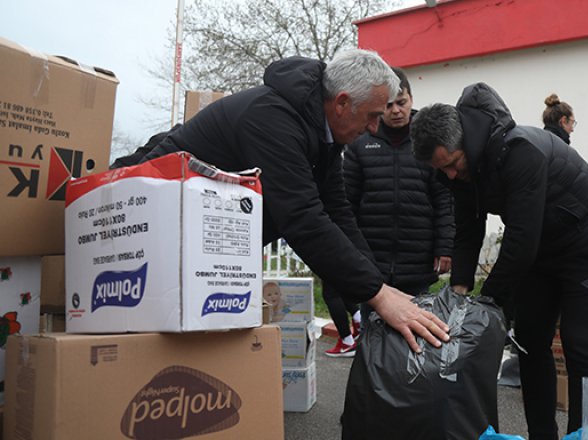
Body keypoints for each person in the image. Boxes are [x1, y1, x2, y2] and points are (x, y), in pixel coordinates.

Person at [137, 49, 449, 352]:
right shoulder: (273, 119)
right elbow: (302, 218)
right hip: (154, 233)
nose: (373, 128)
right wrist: (379, 297)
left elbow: (338, 212)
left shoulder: (323, 135)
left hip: (201, 243)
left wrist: (379, 284)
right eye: (371, 116)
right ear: (342, 103)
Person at [410, 83, 588, 439]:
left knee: (577, 340)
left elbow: (521, 241)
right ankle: (542, 434)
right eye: (440, 169)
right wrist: (459, 296)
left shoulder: (520, 151)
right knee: (529, 338)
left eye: (451, 164)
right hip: (543, 245)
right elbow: (467, 231)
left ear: (466, 141)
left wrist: (488, 300)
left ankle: (586, 434)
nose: (449, 175)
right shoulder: (459, 170)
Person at [322, 67, 454, 357]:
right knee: (374, 339)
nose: (396, 111)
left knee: (417, 339)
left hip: (417, 257)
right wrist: (351, 251)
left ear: (411, 98)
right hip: (373, 259)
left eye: (402, 103)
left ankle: (414, 395)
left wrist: (445, 245)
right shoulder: (360, 142)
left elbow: (444, 196)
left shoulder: (429, 139)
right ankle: (374, 395)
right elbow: (347, 202)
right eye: (389, 105)